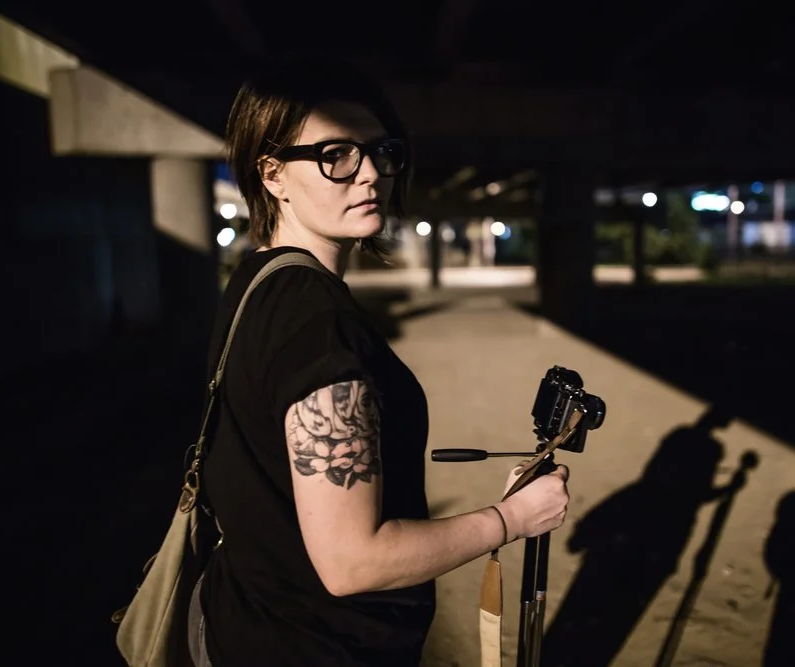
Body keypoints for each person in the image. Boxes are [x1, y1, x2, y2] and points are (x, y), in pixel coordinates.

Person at [188, 57, 571, 667]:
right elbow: (353, 563)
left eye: (380, 151)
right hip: (315, 647)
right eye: (335, 154)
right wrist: (512, 519)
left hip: (239, 622)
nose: (368, 173)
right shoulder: (319, 325)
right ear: (273, 174)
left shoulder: (258, 281)